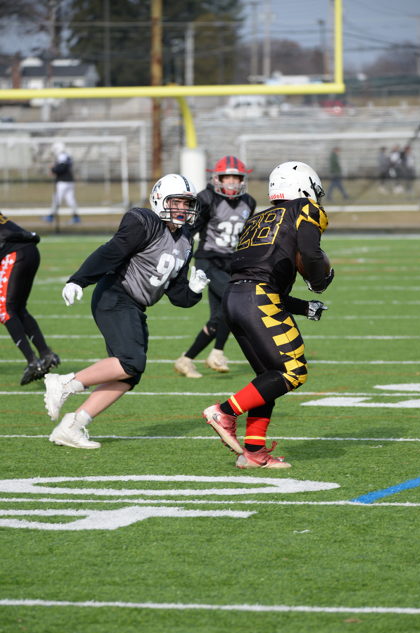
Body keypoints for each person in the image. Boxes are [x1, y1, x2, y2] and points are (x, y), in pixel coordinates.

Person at [44, 174, 209, 449]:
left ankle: (72, 427)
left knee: (130, 374)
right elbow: (111, 251)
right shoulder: (145, 222)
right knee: (131, 361)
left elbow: (177, 295)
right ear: (159, 200)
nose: (182, 208)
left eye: (187, 203)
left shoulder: (185, 240)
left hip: (135, 306)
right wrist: (79, 280)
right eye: (176, 201)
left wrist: (194, 290)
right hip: (115, 295)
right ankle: (65, 383)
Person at [203, 161, 334, 469]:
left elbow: (261, 279)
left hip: (235, 298)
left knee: (268, 379)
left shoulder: (257, 219)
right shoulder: (304, 208)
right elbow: (310, 253)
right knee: (293, 371)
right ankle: (224, 412)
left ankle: (253, 452)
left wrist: (304, 307)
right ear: (303, 187)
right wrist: (319, 280)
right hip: (257, 298)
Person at [174, 156, 256, 378]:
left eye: (236, 177)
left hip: (230, 262)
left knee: (221, 316)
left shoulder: (248, 202)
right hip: (209, 260)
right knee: (235, 303)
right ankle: (217, 353)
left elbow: (245, 236)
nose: (231, 182)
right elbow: (189, 231)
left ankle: (186, 359)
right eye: (227, 177)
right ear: (217, 178)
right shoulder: (207, 198)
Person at [0, 211, 60, 385]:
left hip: (15, 253)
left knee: (4, 310)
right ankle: (46, 355)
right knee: (17, 308)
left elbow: (5, 235)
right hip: (28, 250)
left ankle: (33, 362)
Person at [44, 142, 80, 224]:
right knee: (70, 200)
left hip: (63, 182)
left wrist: (53, 169)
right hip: (69, 181)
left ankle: (51, 216)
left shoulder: (62, 156)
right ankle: (76, 217)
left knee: (57, 198)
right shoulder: (67, 156)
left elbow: (61, 167)